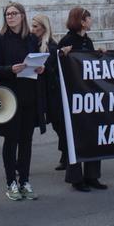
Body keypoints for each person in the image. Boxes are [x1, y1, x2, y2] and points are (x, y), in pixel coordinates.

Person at [0, 2, 48, 200]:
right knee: (11, 139)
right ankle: (10, 181)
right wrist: (9, 69)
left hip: (29, 92)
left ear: (22, 16)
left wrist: (40, 68)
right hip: (9, 95)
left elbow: (36, 59)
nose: (10, 17)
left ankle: (24, 180)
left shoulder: (31, 38)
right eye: (7, 14)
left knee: (26, 140)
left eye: (14, 13)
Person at [58, 7, 109, 191]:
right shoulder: (67, 41)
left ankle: (92, 175)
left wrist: (99, 54)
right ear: (82, 20)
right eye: (89, 18)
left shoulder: (87, 40)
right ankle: (76, 178)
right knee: (76, 137)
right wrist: (62, 54)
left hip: (89, 95)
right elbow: (59, 65)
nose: (91, 21)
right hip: (74, 96)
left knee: (93, 136)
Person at [31, 14, 66, 170]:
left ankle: (66, 154)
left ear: (44, 28)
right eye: (32, 26)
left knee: (59, 125)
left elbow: (56, 71)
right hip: (35, 91)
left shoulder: (52, 46)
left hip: (50, 91)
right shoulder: (32, 43)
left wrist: (45, 69)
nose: (32, 30)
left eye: (36, 27)